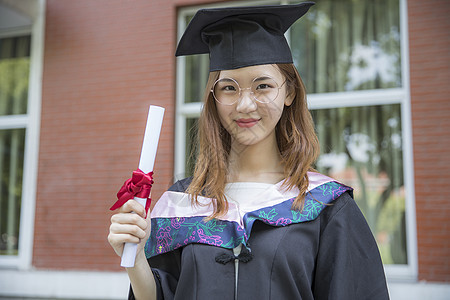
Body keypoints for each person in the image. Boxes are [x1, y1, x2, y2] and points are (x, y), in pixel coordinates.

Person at [108, 2, 390, 299]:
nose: (245, 105)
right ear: (214, 98)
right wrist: (136, 260)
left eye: (263, 86)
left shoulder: (327, 207)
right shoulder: (182, 203)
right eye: (229, 88)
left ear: (289, 92)